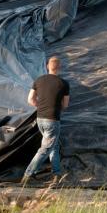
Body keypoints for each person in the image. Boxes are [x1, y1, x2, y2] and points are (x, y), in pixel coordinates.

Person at [22, 56, 70, 185]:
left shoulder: (39, 80)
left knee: (52, 146)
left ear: (47, 66)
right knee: (45, 149)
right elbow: (65, 105)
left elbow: (30, 99)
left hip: (40, 119)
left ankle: (56, 173)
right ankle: (28, 174)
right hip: (52, 120)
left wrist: (41, 106)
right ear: (59, 67)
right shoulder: (64, 83)